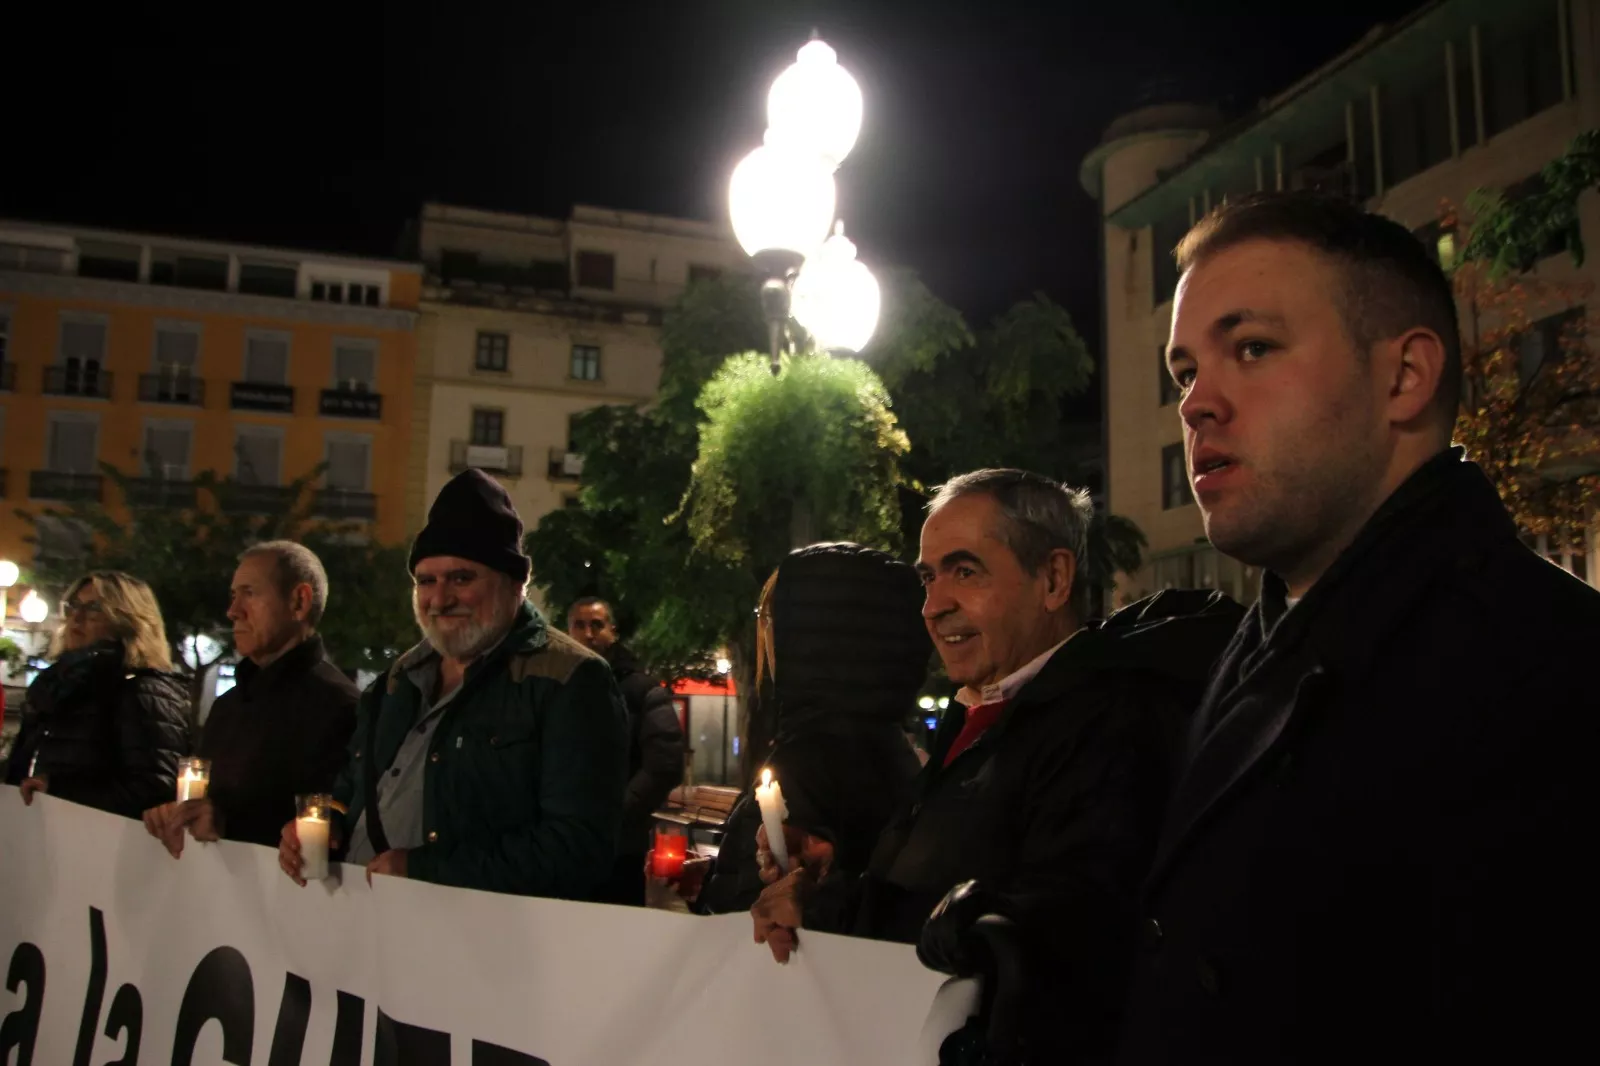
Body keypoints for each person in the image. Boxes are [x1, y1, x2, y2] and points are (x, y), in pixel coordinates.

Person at [1118, 192, 1600, 1064]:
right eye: (1185, 371)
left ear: (1404, 377)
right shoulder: (1261, 639)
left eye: (1252, 348)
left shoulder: (1547, 672)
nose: (1196, 404)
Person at [751, 470, 1242, 1062]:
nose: (933, 607)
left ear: (1054, 578)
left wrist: (829, 908)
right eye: (928, 578)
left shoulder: (1110, 720)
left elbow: (1049, 931)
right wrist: (839, 871)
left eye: (965, 571)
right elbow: (966, 873)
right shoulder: (991, 707)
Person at [277, 469, 628, 899]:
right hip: (363, 932)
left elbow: (578, 848)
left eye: (462, 578)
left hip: (473, 947)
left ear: (516, 585)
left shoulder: (570, 680)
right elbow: (353, 788)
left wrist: (427, 870)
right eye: (426, 580)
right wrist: (323, 822)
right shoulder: (396, 681)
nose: (440, 599)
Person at [696, 542, 933, 916]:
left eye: (769, 618)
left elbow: (761, 917)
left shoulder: (803, 767)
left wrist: (704, 900)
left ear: (801, 639)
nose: (765, 636)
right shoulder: (888, 748)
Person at [142, 541, 358, 853]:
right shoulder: (227, 706)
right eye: (233, 596)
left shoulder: (340, 707)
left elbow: (332, 828)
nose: (233, 611)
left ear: (299, 601)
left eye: (250, 593)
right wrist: (176, 817)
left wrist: (226, 823)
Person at [6, 571, 189, 817]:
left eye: (94, 608)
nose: (77, 617)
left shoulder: (142, 689)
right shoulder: (57, 685)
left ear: (127, 621)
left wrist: (59, 791)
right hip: (37, 835)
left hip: (93, 844)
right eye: (73, 606)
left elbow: (155, 789)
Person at [565, 596, 685, 906]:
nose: (588, 634)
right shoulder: (556, 687)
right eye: (579, 625)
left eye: (597, 625)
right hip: (564, 844)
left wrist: (615, 814)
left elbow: (665, 763)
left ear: (613, 631)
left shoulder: (642, 689)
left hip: (619, 848)